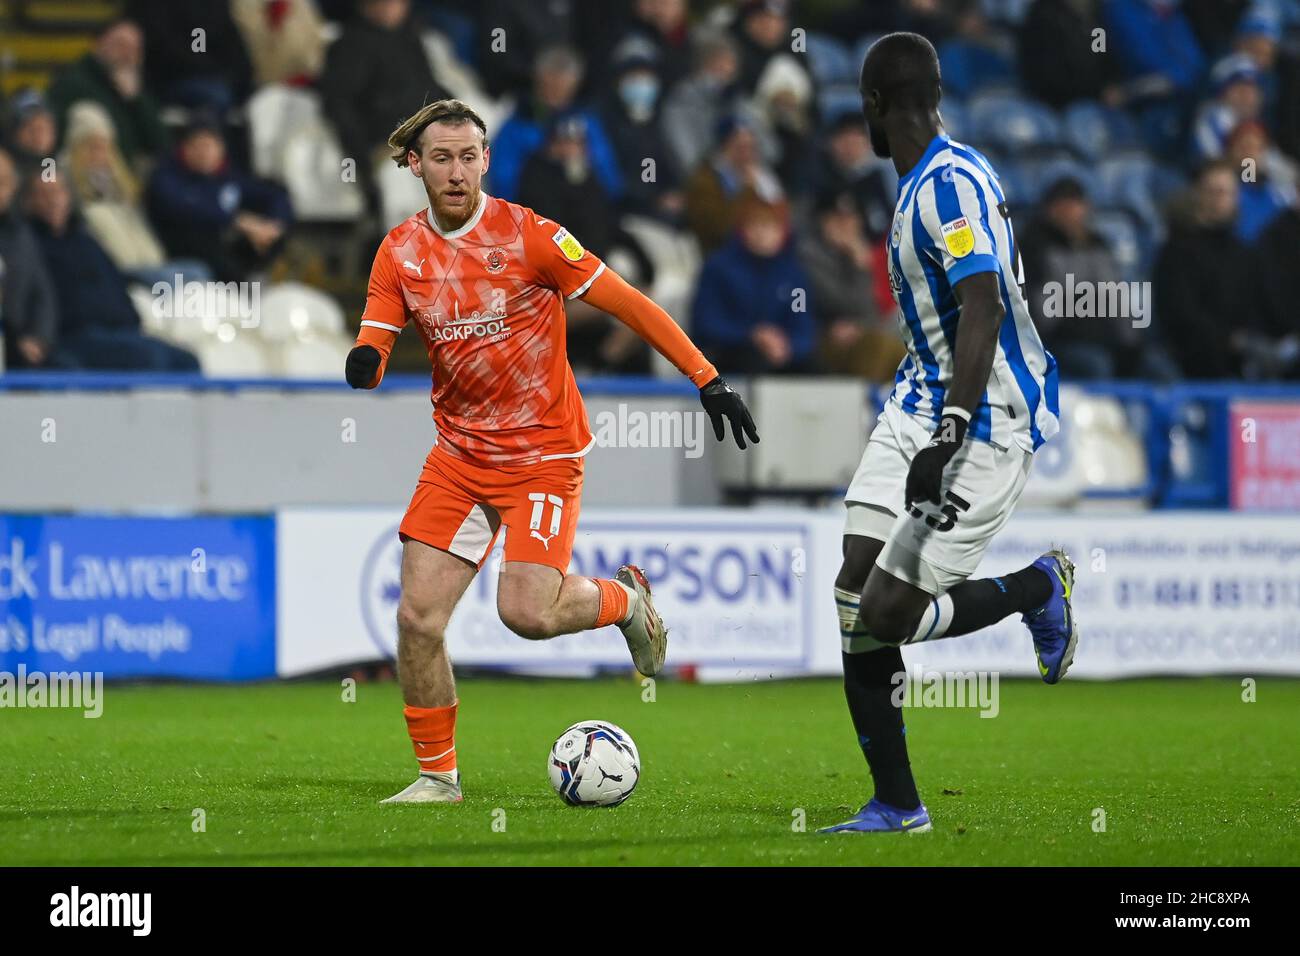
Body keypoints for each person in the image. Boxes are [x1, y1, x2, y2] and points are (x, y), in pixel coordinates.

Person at [344, 100, 758, 805]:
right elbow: (376, 338)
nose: (456, 170)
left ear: (485, 160)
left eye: (469, 155)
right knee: (417, 619)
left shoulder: (528, 236)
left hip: (542, 452)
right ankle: (438, 778)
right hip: (459, 455)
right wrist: (365, 362)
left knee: (527, 614)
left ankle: (625, 603)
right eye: (440, 157)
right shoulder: (400, 251)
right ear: (415, 163)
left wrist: (706, 378)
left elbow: (629, 302)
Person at [821, 33, 1073, 835]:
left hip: (985, 417)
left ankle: (1039, 588)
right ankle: (897, 805)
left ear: (873, 105)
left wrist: (953, 430)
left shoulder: (949, 186)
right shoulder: (922, 182)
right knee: (853, 588)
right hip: (917, 400)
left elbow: (985, 306)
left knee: (888, 613)